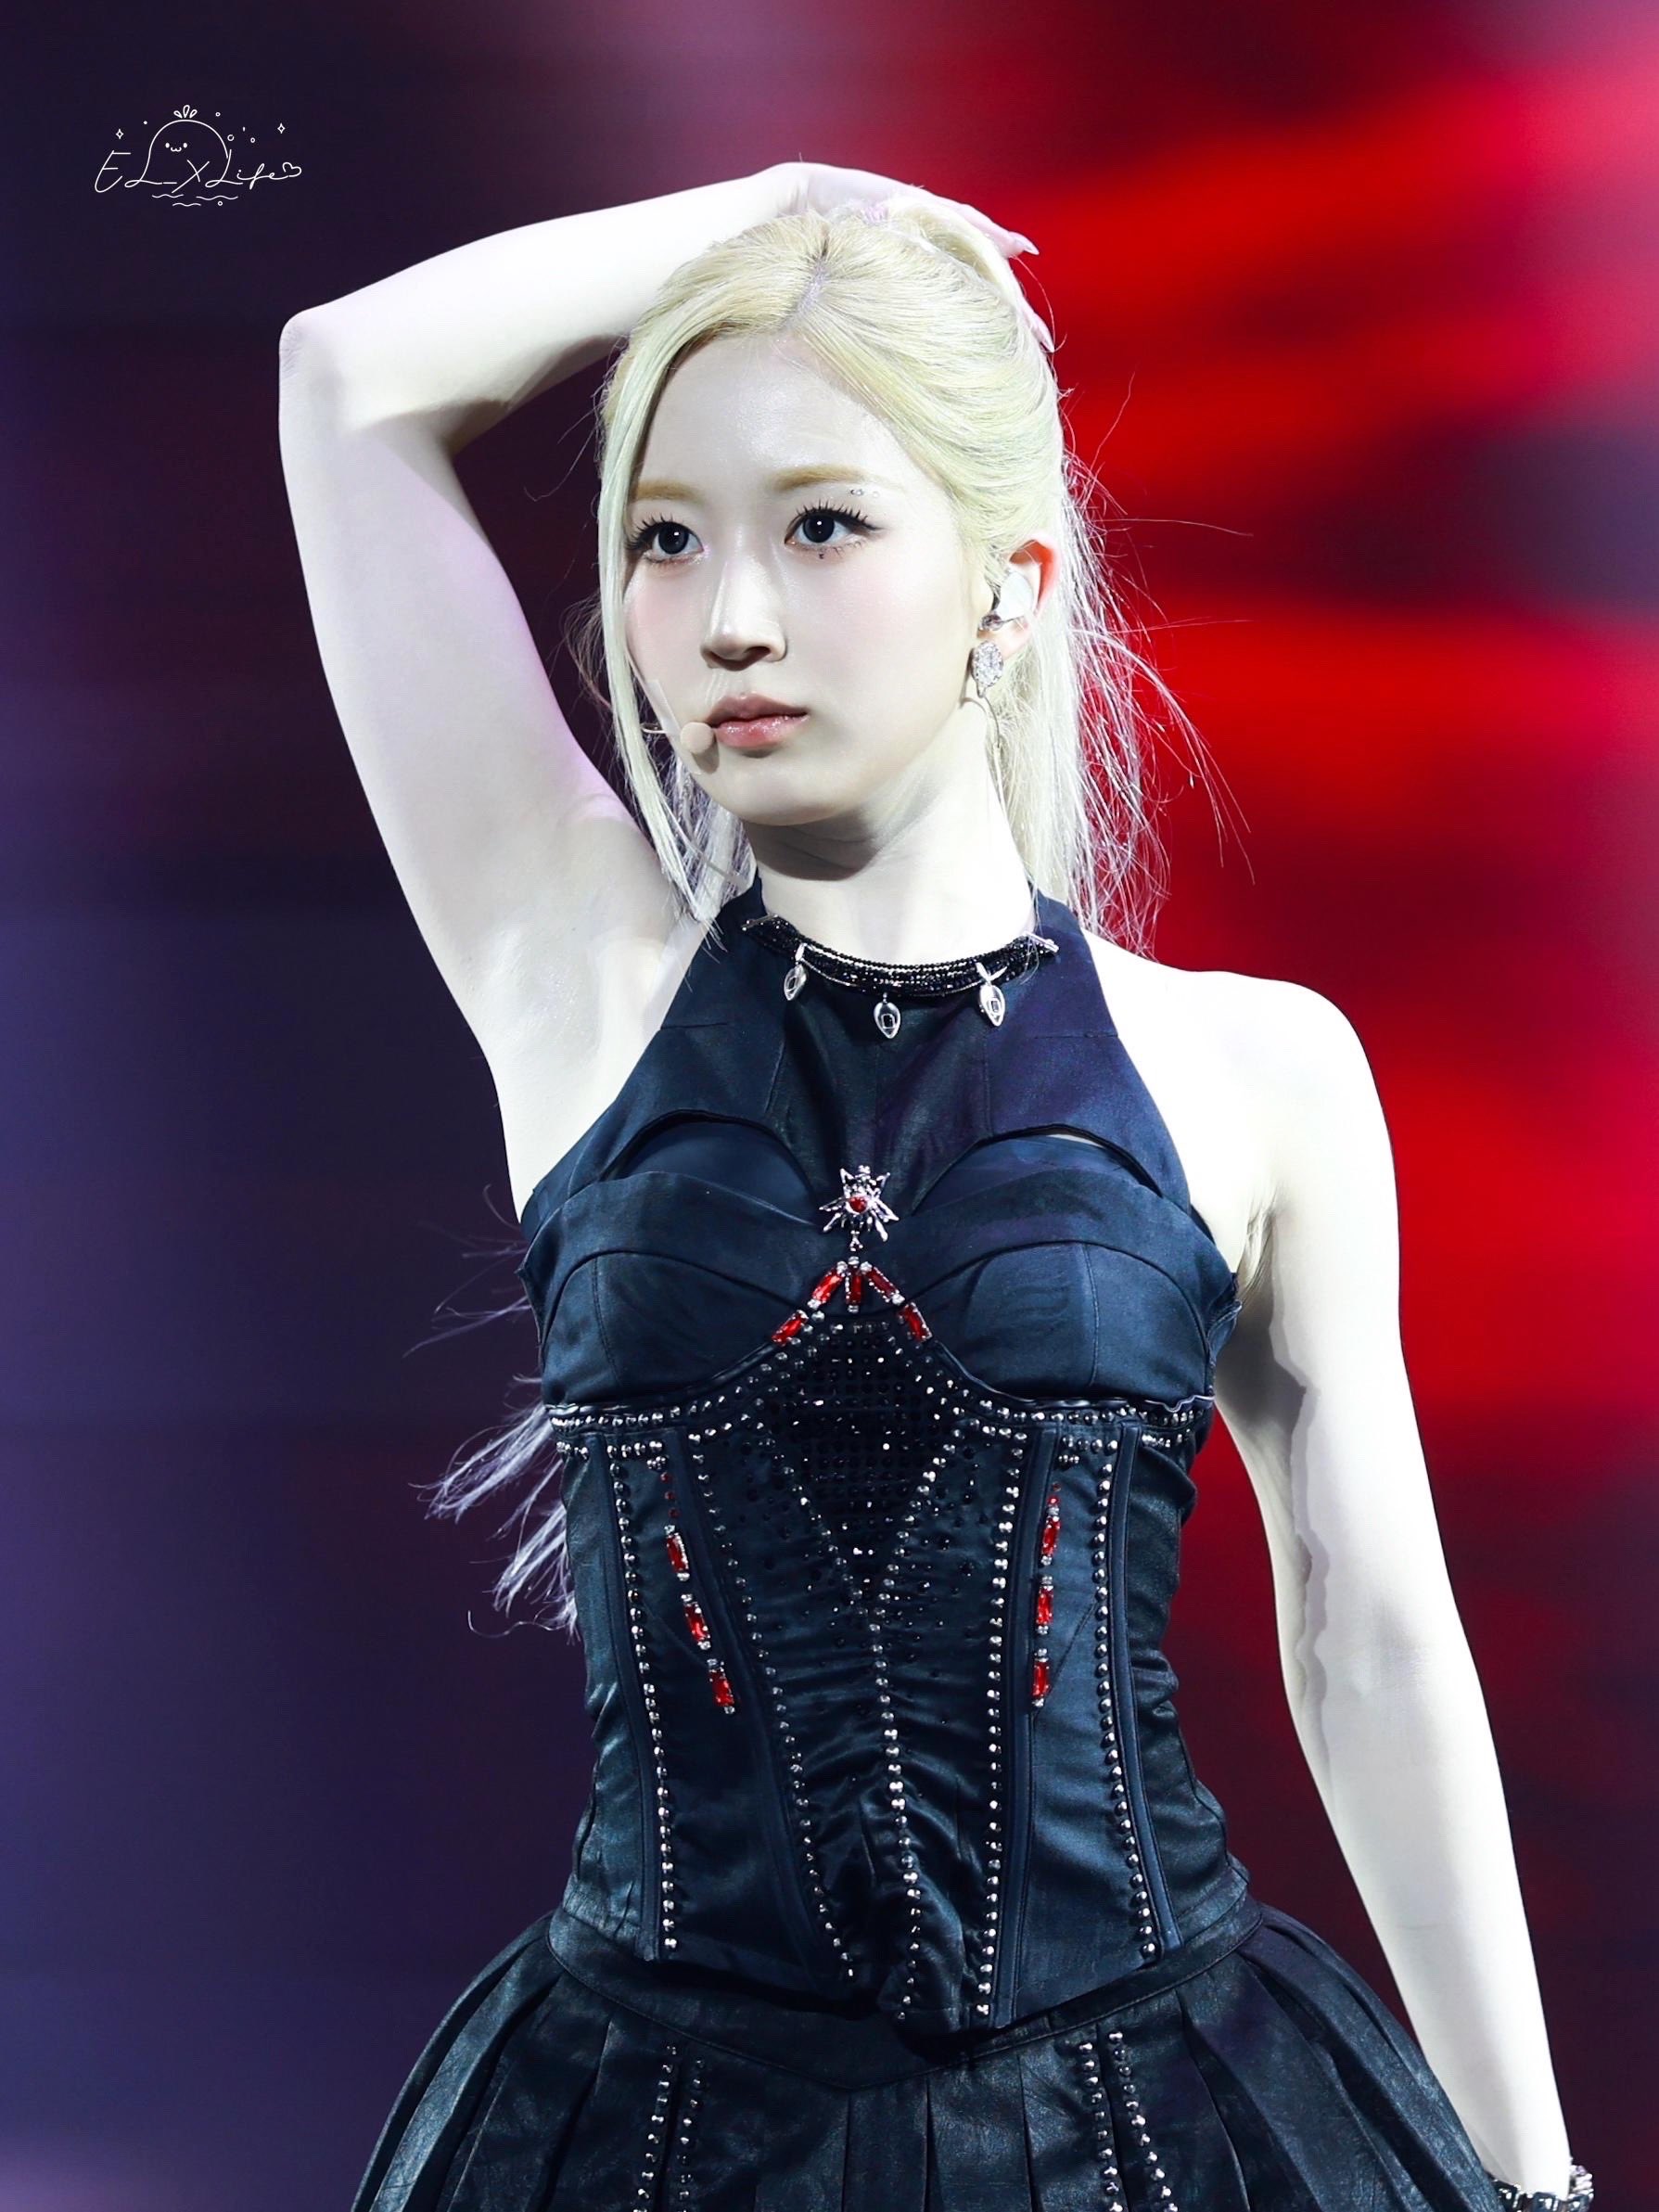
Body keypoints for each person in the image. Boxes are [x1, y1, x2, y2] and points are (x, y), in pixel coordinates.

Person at [277, 159, 1590, 2211]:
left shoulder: (1255, 1073)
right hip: (642, 2135)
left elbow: (1373, 1641)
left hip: (1144, 2124)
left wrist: (1531, 2177)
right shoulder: (580, 979)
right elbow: (344, 378)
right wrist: (777, 207)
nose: (728, 616)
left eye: (820, 524)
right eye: (664, 537)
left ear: (1010, 580)